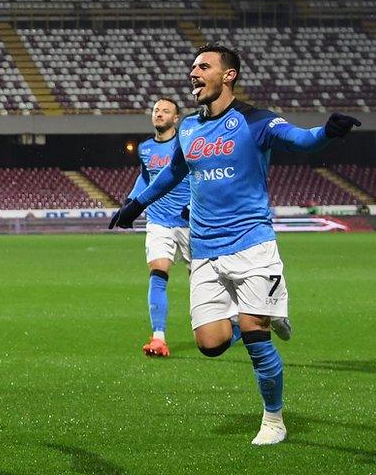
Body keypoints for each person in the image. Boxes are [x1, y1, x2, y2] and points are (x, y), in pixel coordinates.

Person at [109, 44, 359, 445]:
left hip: (250, 244)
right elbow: (173, 172)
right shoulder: (188, 127)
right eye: (192, 66)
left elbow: (301, 139)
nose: (194, 72)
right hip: (205, 250)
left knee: (255, 337)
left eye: (203, 66)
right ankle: (262, 314)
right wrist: (135, 204)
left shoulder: (255, 120)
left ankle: (274, 420)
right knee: (210, 344)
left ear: (228, 76)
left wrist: (327, 132)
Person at [125, 98, 192, 358]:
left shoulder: (185, 144)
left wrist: (194, 205)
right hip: (158, 221)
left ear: (176, 119)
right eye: (156, 110)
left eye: (166, 111)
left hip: (190, 223)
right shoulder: (145, 147)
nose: (160, 114)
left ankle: (229, 322)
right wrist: (130, 203)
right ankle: (158, 337)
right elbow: (145, 177)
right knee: (158, 271)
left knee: (201, 279)